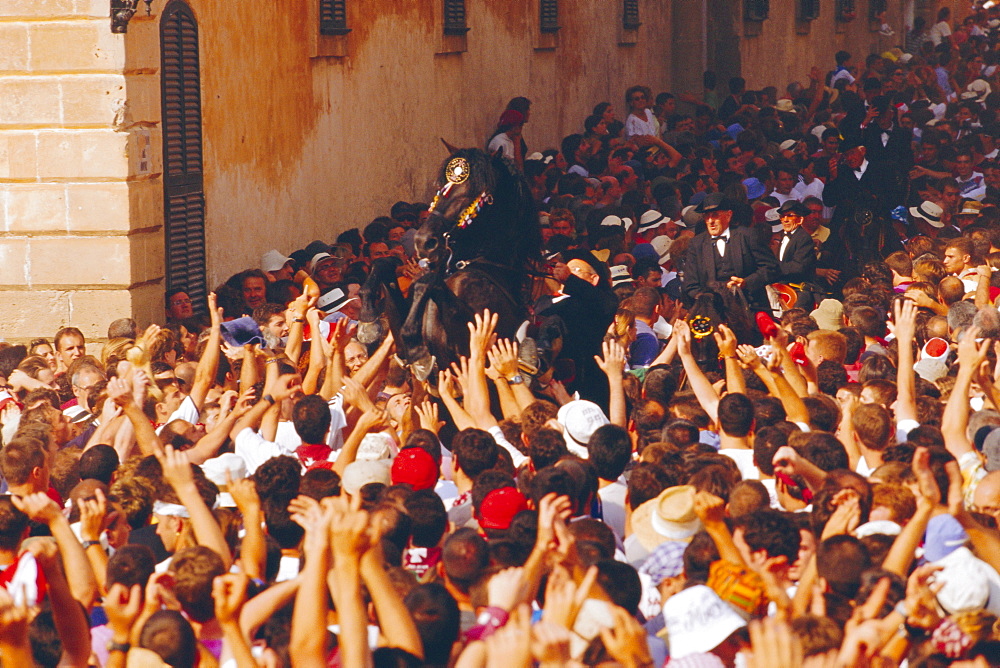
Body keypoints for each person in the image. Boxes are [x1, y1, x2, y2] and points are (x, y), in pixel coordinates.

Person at [680, 193, 777, 313]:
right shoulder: (696, 244)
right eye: (706, 216)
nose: (710, 221)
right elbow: (690, 284)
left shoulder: (748, 236)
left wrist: (747, 282)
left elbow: (771, 268)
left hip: (750, 306)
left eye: (715, 215)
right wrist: (705, 300)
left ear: (728, 215)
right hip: (714, 311)